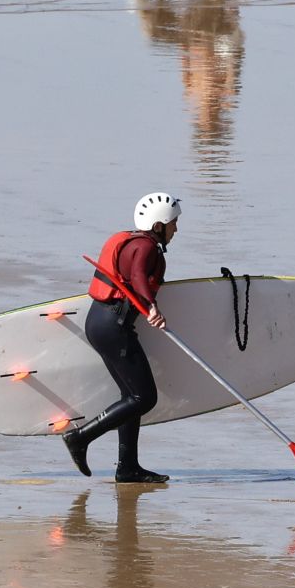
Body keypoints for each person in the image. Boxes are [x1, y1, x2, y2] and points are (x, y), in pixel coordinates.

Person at [63, 193, 182, 485]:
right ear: (158, 226)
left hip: (101, 323)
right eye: (173, 223)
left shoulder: (134, 241)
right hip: (113, 328)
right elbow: (140, 276)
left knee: (131, 398)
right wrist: (151, 307)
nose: (176, 230)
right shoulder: (146, 247)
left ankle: (127, 468)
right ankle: (80, 437)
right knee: (145, 397)